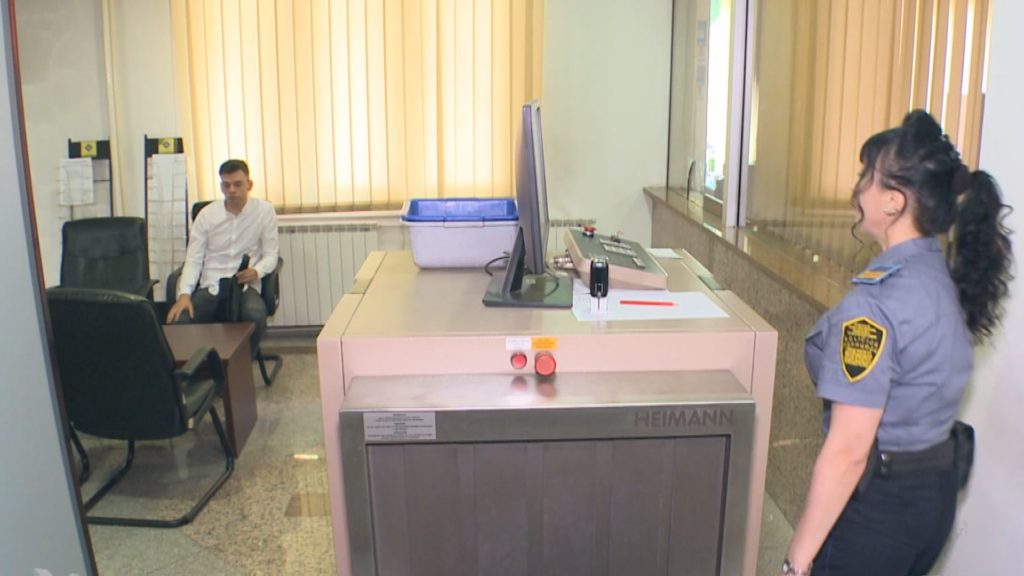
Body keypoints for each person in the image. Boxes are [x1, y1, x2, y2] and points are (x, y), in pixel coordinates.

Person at [780, 110, 1013, 576]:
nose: (856, 188)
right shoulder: (943, 278)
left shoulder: (874, 306)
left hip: (877, 516)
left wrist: (796, 562)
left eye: (866, 176)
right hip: (933, 502)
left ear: (893, 202)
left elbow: (849, 451)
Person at [166, 159, 279, 354]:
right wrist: (184, 295)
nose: (231, 190)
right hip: (212, 285)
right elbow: (193, 260)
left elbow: (271, 255)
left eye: (237, 184)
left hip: (245, 286)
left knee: (255, 317)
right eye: (226, 185)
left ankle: (240, 364)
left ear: (249, 185)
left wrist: (257, 271)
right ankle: (200, 366)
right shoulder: (206, 215)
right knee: (180, 319)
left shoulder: (264, 211)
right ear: (221, 187)